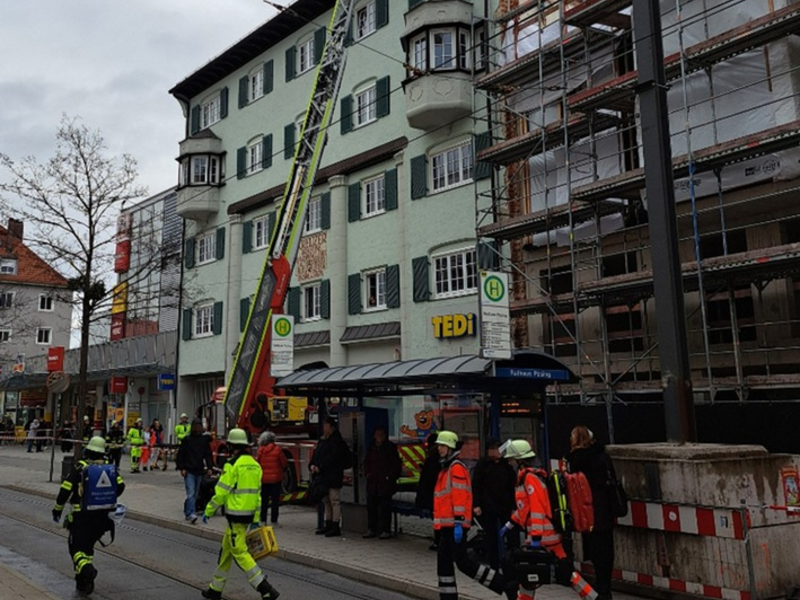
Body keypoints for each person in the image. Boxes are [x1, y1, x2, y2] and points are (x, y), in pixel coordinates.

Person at [500, 439, 598, 600]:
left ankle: (594, 598)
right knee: (534, 575)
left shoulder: (530, 478)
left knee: (557, 572)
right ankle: (593, 597)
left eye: (512, 459)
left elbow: (538, 509)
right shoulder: (528, 477)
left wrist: (536, 537)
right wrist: (510, 523)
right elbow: (525, 509)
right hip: (543, 534)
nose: (510, 463)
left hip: (543, 536)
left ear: (520, 460)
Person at [201, 428, 280, 600]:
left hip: (235, 517)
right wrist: (257, 517)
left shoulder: (232, 465)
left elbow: (221, 492)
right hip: (248, 516)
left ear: (231, 446)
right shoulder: (255, 465)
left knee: (240, 553)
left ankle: (265, 588)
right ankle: (215, 589)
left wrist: (208, 510)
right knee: (226, 553)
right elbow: (258, 496)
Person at [433, 430, 505, 600]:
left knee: (463, 563)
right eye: (439, 446)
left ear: (451, 448)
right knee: (444, 565)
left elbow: (460, 497)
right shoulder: (446, 468)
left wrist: (458, 522)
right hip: (446, 526)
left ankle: (501, 583)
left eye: (443, 446)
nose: (440, 449)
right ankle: (448, 597)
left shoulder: (455, 468)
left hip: (454, 526)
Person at [52, 436, 125, 593]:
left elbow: (65, 489)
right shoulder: (109, 468)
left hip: (82, 517)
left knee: (75, 548)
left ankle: (87, 570)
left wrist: (57, 509)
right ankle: (83, 582)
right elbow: (120, 486)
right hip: (102, 519)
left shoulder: (80, 467)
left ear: (88, 450)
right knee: (88, 549)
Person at [567, 426, 617, 600]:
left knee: (595, 550)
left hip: (585, 510)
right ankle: (605, 586)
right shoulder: (602, 456)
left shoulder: (575, 460)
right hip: (605, 507)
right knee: (606, 550)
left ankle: (600, 587)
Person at [472, 438, 516, 569]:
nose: (499, 452)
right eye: (496, 449)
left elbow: (512, 486)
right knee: (492, 537)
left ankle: (512, 562)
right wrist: (476, 505)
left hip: (505, 506)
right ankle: (494, 564)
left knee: (511, 535)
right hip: (488, 506)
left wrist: (514, 506)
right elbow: (476, 485)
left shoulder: (506, 465)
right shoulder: (483, 465)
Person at [309, 416, 351, 537]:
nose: (323, 428)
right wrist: (312, 465)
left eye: (325, 425)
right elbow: (317, 455)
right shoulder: (324, 440)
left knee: (334, 500)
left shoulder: (336, 441)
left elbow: (333, 458)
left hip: (333, 475)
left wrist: (320, 466)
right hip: (324, 476)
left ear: (331, 427)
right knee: (326, 500)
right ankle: (328, 523)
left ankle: (335, 525)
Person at [363, 425, 401, 539]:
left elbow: (396, 465)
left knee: (385, 508)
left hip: (385, 484)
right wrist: (367, 474)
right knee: (371, 508)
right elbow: (366, 462)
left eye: (381, 435)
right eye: (377, 435)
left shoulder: (390, 447)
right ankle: (372, 529)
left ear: (384, 436)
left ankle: (386, 530)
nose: (378, 437)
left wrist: (389, 477)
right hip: (373, 483)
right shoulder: (371, 447)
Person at [176, 417, 214, 523]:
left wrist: (210, 467)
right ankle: (191, 513)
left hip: (199, 470)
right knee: (191, 493)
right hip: (189, 470)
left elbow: (208, 454)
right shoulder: (187, 440)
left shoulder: (203, 440)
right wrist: (182, 468)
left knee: (195, 493)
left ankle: (188, 512)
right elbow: (181, 455)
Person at [415, 432, 442, 550]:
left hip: (434, 495)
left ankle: (438, 541)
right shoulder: (442, 459)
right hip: (438, 495)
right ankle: (440, 541)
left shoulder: (431, 459)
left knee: (437, 520)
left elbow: (427, 479)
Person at [256, 430, 288, 526]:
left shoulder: (260, 451)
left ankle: (263, 520)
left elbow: (257, 463)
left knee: (264, 501)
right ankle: (274, 521)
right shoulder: (278, 450)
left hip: (264, 479)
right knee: (275, 501)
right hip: (276, 480)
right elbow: (284, 463)